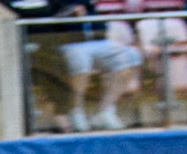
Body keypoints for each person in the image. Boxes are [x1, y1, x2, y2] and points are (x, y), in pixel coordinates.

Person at [47, 1, 140, 131]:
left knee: (131, 55)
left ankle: (105, 111)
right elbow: (49, 19)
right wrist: (69, 13)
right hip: (69, 43)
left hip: (98, 41)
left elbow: (99, 23)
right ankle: (76, 110)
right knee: (80, 59)